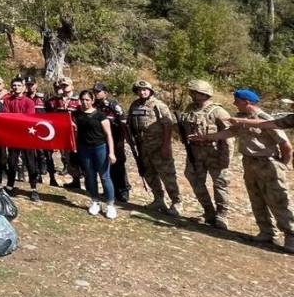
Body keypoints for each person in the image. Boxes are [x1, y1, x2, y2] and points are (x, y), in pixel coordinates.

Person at [193, 89, 294, 253]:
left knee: (278, 200)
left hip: (268, 164)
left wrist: (282, 165)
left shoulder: (264, 119)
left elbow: (286, 146)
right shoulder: (241, 119)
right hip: (249, 163)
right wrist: (205, 137)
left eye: (237, 100)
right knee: (256, 198)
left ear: (247, 102)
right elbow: (228, 133)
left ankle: (291, 236)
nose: (234, 103)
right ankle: (266, 232)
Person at [179, 79, 232, 230]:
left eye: (195, 92)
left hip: (214, 153)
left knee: (220, 184)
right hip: (195, 152)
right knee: (194, 178)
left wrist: (226, 157)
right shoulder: (190, 108)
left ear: (204, 94)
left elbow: (229, 136)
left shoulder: (218, 111)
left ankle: (222, 215)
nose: (192, 95)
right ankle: (208, 212)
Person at [127, 80, 181, 216]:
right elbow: (129, 123)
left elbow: (168, 125)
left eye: (145, 89)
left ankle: (176, 202)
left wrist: (166, 145)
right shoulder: (134, 105)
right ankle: (158, 199)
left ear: (150, 91)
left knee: (167, 175)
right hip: (142, 147)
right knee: (149, 173)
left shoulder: (159, 105)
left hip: (158, 146)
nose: (142, 92)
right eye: (139, 90)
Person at [74, 90, 119, 219]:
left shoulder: (100, 116)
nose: (84, 102)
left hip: (100, 148)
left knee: (105, 176)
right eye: (82, 99)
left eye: (87, 99)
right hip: (84, 149)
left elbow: (108, 135)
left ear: (92, 101)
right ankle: (95, 201)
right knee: (90, 176)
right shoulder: (78, 115)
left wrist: (111, 152)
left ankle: (110, 204)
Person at [3, 77, 42, 202]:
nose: (16, 87)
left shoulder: (29, 102)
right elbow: (7, 116)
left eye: (19, 85)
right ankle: (10, 186)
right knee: (12, 162)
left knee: (30, 163)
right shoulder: (7, 100)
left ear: (23, 87)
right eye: (14, 85)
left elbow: (29, 118)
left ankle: (34, 189)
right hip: (14, 136)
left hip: (27, 136)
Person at [93, 83, 130, 203]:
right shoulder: (94, 106)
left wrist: (122, 139)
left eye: (98, 92)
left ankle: (123, 190)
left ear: (105, 92)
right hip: (101, 139)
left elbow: (123, 121)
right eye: (95, 92)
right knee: (105, 165)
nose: (96, 94)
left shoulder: (113, 105)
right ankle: (109, 190)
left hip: (116, 139)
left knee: (118, 165)